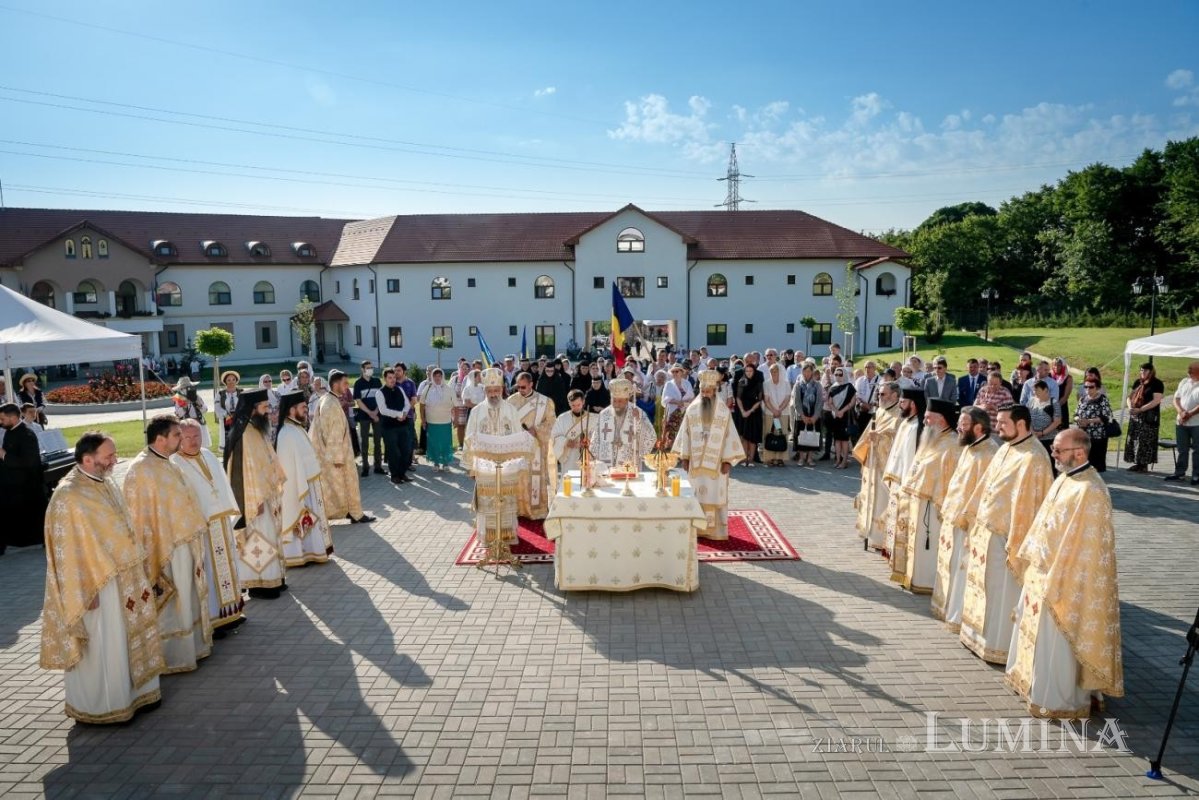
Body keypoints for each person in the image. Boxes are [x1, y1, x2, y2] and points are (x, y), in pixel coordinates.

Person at [40, 432, 165, 724]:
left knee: (126, 640)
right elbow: (65, 551)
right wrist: (83, 592)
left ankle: (139, 694)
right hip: (98, 587)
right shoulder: (68, 496)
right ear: (87, 459)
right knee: (106, 646)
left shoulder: (105, 482)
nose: (114, 461)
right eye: (108, 456)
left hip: (127, 580)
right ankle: (106, 706)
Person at [1004, 427, 1124, 719]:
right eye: (1054, 448)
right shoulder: (1066, 479)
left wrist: (1055, 578)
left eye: (1058, 450)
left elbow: (1085, 548)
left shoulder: (1091, 491)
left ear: (1079, 453)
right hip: (1043, 572)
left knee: (1056, 644)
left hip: (1064, 580)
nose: (1053, 454)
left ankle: (1059, 700)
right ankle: (1033, 686)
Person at [959, 404, 1054, 664]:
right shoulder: (1006, 449)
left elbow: (1031, 507)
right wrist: (971, 516)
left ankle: (997, 645)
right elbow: (985, 487)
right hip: (987, 533)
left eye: (1003, 423)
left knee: (1001, 593)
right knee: (985, 589)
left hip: (1007, 540)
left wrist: (1016, 542)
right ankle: (977, 638)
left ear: (1021, 424)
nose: (997, 427)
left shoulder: (1034, 458)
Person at [123, 415, 212, 674]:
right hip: (165, 550)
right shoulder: (141, 470)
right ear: (160, 439)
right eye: (176, 435)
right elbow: (137, 517)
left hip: (184, 544)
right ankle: (174, 655)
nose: (182, 439)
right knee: (174, 602)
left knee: (188, 596)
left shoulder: (167, 462)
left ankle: (193, 647)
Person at [172, 419, 246, 636]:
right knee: (209, 571)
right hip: (202, 527)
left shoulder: (208, 455)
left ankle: (232, 610)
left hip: (221, 522)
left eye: (196, 436)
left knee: (228, 566)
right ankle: (214, 618)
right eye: (187, 437)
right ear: (179, 439)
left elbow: (222, 483)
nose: (193, 441)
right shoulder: (175, 463)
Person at [931, 407, 999, 631]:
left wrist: (968, 519)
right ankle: (950, 609)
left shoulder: (989, 454)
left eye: (964, 425)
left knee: (963, 571)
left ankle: (959, 615)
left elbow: (985, 494)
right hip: (955, 519)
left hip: (968, 524)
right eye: (960, 423)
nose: (959, 428)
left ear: (978, 428)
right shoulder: (970, 447)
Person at [892, 398, 963, 594]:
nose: (924, 421)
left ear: (942, 419)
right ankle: (913, 578)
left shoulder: (953, 445)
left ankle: (927, 582)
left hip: (934, 507)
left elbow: (952, 479)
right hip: (919, 503)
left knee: (928, 547)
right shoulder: (930, 438)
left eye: (928, 418)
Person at [223, 388, 288, 598]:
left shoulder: (255, 428)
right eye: (265, 406)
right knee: (258, 539)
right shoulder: (243, 434)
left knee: (269, 537)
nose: (268, 410)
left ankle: (275, 579)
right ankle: (260, 585)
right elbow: (241, 472)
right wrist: (253, 501)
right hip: (255, 500)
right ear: (253, 408)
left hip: (266, 495)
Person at [672, 370, 747, 540]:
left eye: (709, 391)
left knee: (714, 496)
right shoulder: (692, 410)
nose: (705, 394)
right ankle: (697, 529)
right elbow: (685, 434)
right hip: (696, 464)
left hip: (717, 465)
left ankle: (715, 531)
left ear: (715, 391)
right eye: (703, 391)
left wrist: (728, 461)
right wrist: (685, 457)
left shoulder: (723, 411)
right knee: (696, 494)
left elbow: (730, 436)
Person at [275, 390, 334, 566]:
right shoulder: (286, 433)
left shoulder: (297, 429)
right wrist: (300, 485)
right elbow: (288, 469)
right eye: (302, 407)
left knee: (309, 520)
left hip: (308, 485)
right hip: (298, 488)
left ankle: (310, 551)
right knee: (299, 516)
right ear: (292, 410)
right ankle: (296, 554)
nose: (306, 410)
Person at [311, 371, 375, 523]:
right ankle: (354, 513)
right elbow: (331, 433)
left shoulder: (329, 399)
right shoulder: (330, 404)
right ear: (335, 384)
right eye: (345, 383)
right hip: (337, 456)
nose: (347, 386)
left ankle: (352, 511)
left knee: (345, 485)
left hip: (338, 453)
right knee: (346, 484)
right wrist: (337, 458)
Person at [854, 381, 901, 551]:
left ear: (894, 395)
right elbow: (868, 434)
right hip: (872, 463)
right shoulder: (880, 411)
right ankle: (869, 532)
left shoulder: (899, 415)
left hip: (885, 467)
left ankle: (881, 538)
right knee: (870, 499)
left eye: (883, 394)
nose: (879, 397)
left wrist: (880, 437)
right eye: (878, 394)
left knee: (882, 501)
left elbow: (897, 440)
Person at [882, 388, 925, 559]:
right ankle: (892, 554)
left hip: (905, 482)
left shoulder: (917, 427)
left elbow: (910, 458)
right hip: (896, 479)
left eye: (903, 402)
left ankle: (901, 557)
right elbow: (897, 452)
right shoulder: (906, 423)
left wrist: (905, 481)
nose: (899, 404)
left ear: (913, 404)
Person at [508, 371, 556, 518]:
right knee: (519, 477)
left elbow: (552, 423)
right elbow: (505, 423)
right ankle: (518, 509)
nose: (520, 390)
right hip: (517, 447)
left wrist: (536, 430)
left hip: (536, 446)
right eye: (518, 387)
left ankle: (536, 509)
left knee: (534, 477)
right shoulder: (511, 401)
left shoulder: (545, 402)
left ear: (531, 384)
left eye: (523, 387)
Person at [0, 402, 47, 553]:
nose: (0, 422)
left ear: (13, 418)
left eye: (2, 419)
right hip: (11, 483)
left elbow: (28, 462)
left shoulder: (27, 435)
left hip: (25, 486)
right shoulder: (10, 431)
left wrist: (4, 455)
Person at [463, 368, 524, 473]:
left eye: (496, 390)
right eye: (489, 391)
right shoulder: (476, 411)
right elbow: (469, 437)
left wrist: (519, 463)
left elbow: (518, 435)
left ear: (502, 390)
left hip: (508, 462)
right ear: (484, 391)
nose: (493, 394)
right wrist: (470, 466)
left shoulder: (511, 410)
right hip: (483, 463)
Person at [590, 378, 656, 469]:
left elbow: (651, 437)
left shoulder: (638, 413)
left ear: (627, 400)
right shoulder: (604, 414)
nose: (616, 404)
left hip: (628, 463)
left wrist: (639, 420)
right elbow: (595, 439)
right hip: (606, 464)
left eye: (620, 401)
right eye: (614, 400)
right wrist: (594, 459)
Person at [1124, 363, 1165, 473]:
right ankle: (1137, 463)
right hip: (1136, 415)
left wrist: (1141, 409)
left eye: (1145, 370)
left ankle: (1143, 464)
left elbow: (1156, 400)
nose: (1142, 372)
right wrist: (1130, 407)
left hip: (1148, 416)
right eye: (1141, 370)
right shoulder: (1138, 382)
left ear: (1151, 372)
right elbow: (1129, 397)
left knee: (1145, 440)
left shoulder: (1157, 383)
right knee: (1134, 439)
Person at [376, 367, 414, 484]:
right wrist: (399, 414)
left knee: (406, 451)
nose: (392, 380)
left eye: (394, 377)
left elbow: (407, 404)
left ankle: (402, 473)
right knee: (394, 453)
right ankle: (394, 475)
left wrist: (404, 413)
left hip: (403, 425)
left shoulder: (399, 389)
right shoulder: (380, 392)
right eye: (390, 378)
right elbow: (383, 410)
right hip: (389, 428)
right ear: (385, 379)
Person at [1165, 361, 1199, 485]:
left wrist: (1189, 414)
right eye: (1189, 369)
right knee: (1182, 449)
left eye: (1192, 369)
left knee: (1197, 450)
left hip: (1197, 423)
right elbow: (1176, 398)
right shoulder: (1184, 381)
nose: (1188, 371)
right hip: (1181, 422)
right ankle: (1179, 473)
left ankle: (1196, 475)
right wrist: (1181, 412)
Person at [418, 368, 457, 471]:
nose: (437, 378)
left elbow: (455, 405)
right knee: (434, 443)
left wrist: (455, 419)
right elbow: (421, 405)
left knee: (445, 443)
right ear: (432, 377)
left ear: (442, 376)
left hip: (445, 421)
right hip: (432, 421)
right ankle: (435, 463)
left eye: (439, 376)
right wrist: (423, 419)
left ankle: (445, 463)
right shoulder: (427, 388)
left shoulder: (449, 389)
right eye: (435, 376)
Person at [551, 390, 596, 475]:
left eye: (578, 405)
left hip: (587, 458)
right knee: (571, 481)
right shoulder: (562, 419)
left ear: (583, 402)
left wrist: (589, 441)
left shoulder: (593, 419)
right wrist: (566, 442)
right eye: (573, 405)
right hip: (569, 459)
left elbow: (597, 438)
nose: (576, 408)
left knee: (587, 480)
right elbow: (553, 436)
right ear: (569, 403)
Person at [1073, 378, 1113, 472]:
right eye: (1086, 387)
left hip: (1098, 436)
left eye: (1091, 387)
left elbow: (1107, 417)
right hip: (1084, 435)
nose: (1088, 389)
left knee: (1096, 465)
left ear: (1097, 388)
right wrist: (1078, 419)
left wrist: (1088, 421)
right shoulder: (1083, 399)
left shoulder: (1102, 399)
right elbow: (1075, 414)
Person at [353, 360, 385, 477]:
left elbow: (381, 398)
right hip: (364, 416)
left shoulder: (377, 381)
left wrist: (376, 412)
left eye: (371, 367)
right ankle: (365, 467)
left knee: (377, 441)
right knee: (365, 442)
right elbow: (358, 401)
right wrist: (370, 413)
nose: (370, 369)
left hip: (377, 415)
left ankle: (378, 466)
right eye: (368, 368)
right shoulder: (358, 383)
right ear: (362, 369)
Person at [792, 363, 824, 466]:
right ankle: (801, 458)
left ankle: (810, 458)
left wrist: (815, 416)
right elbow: (796, 401)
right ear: (802, 372)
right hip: (801, 416)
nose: (807, 373)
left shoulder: (817, 385)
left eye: (809, 371)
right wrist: (802, 415)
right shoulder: (798, 385)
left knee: (812, 437)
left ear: (812, 372)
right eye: (805, 371)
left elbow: (820, 401)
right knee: (801, 437)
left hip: (814, 415)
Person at [826, 367, 857, 469]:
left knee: (844, 440)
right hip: (836, 416)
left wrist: (842, 411)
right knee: (837, 439)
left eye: (840, 374)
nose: (838, 376)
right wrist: (836, 411)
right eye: (836, 374)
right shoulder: (833, 387)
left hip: (845, 416)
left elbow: (852, 402)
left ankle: (844, 461)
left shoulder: (850, 386)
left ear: (844, 375)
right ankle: (838, 460)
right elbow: (829, 402)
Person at [733, 363, 764, 467]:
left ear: (754, 372)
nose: (748, 373)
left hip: (754, 411)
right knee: (744, 436)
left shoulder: (758, 382)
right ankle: (744, 458)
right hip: (743, 410)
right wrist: (742, 411)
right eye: (747, 371)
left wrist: (750, 411)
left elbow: (759, 399)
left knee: (752, 437)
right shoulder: (741, 381)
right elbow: (738, 398)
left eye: (750, 371)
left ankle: (751, 459)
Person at [762, 362, 792, 466]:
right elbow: (766, 400)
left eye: (776, 371)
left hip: (782, 413)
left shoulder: (786, 383)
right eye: (771, 371)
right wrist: (774, 410)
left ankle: (780, 458)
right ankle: (769, 458)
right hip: (770, 413)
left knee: (781, 434)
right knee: (769, 434)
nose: (773, 373)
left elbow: (787, 398)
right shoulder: (766, 383)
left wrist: (779, 410)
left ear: (780, 372)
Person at [661, 364, 694, 448]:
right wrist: (677, 402)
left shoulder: (687, 383)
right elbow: (665, 398)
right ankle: (671, 449)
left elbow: (691, 397)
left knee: (684, 430)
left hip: (685, 411)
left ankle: (683, 449)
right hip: (672, 411)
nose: (675, 373)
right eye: (673, 372)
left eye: (677, 371)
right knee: (671, 432)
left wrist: (685, 403)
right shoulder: (668, 384)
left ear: (682, 372)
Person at [1025, 380, 1062, 456]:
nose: (1034, 392)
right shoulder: (1031, 400)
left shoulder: (1054, 403)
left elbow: (1057, 422)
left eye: (1037, 390)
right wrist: (1032, 432)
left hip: (1048, 440)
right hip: (1033, 438)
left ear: (1045, 390)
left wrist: (1042, 433)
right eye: (1033, 390)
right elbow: (1026, 417)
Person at [214, 371, 240, 450]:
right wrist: (226, 414)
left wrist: (238, 414)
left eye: (233, 379)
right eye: (229, 380)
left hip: (239, 420)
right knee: (227, 440)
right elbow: (217, 407)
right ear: (225, 381)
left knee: (239, 441)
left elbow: (245, 405)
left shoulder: (241, 392)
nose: (231, 382)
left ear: (236, 381)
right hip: (226, 420)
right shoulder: (220, 394)